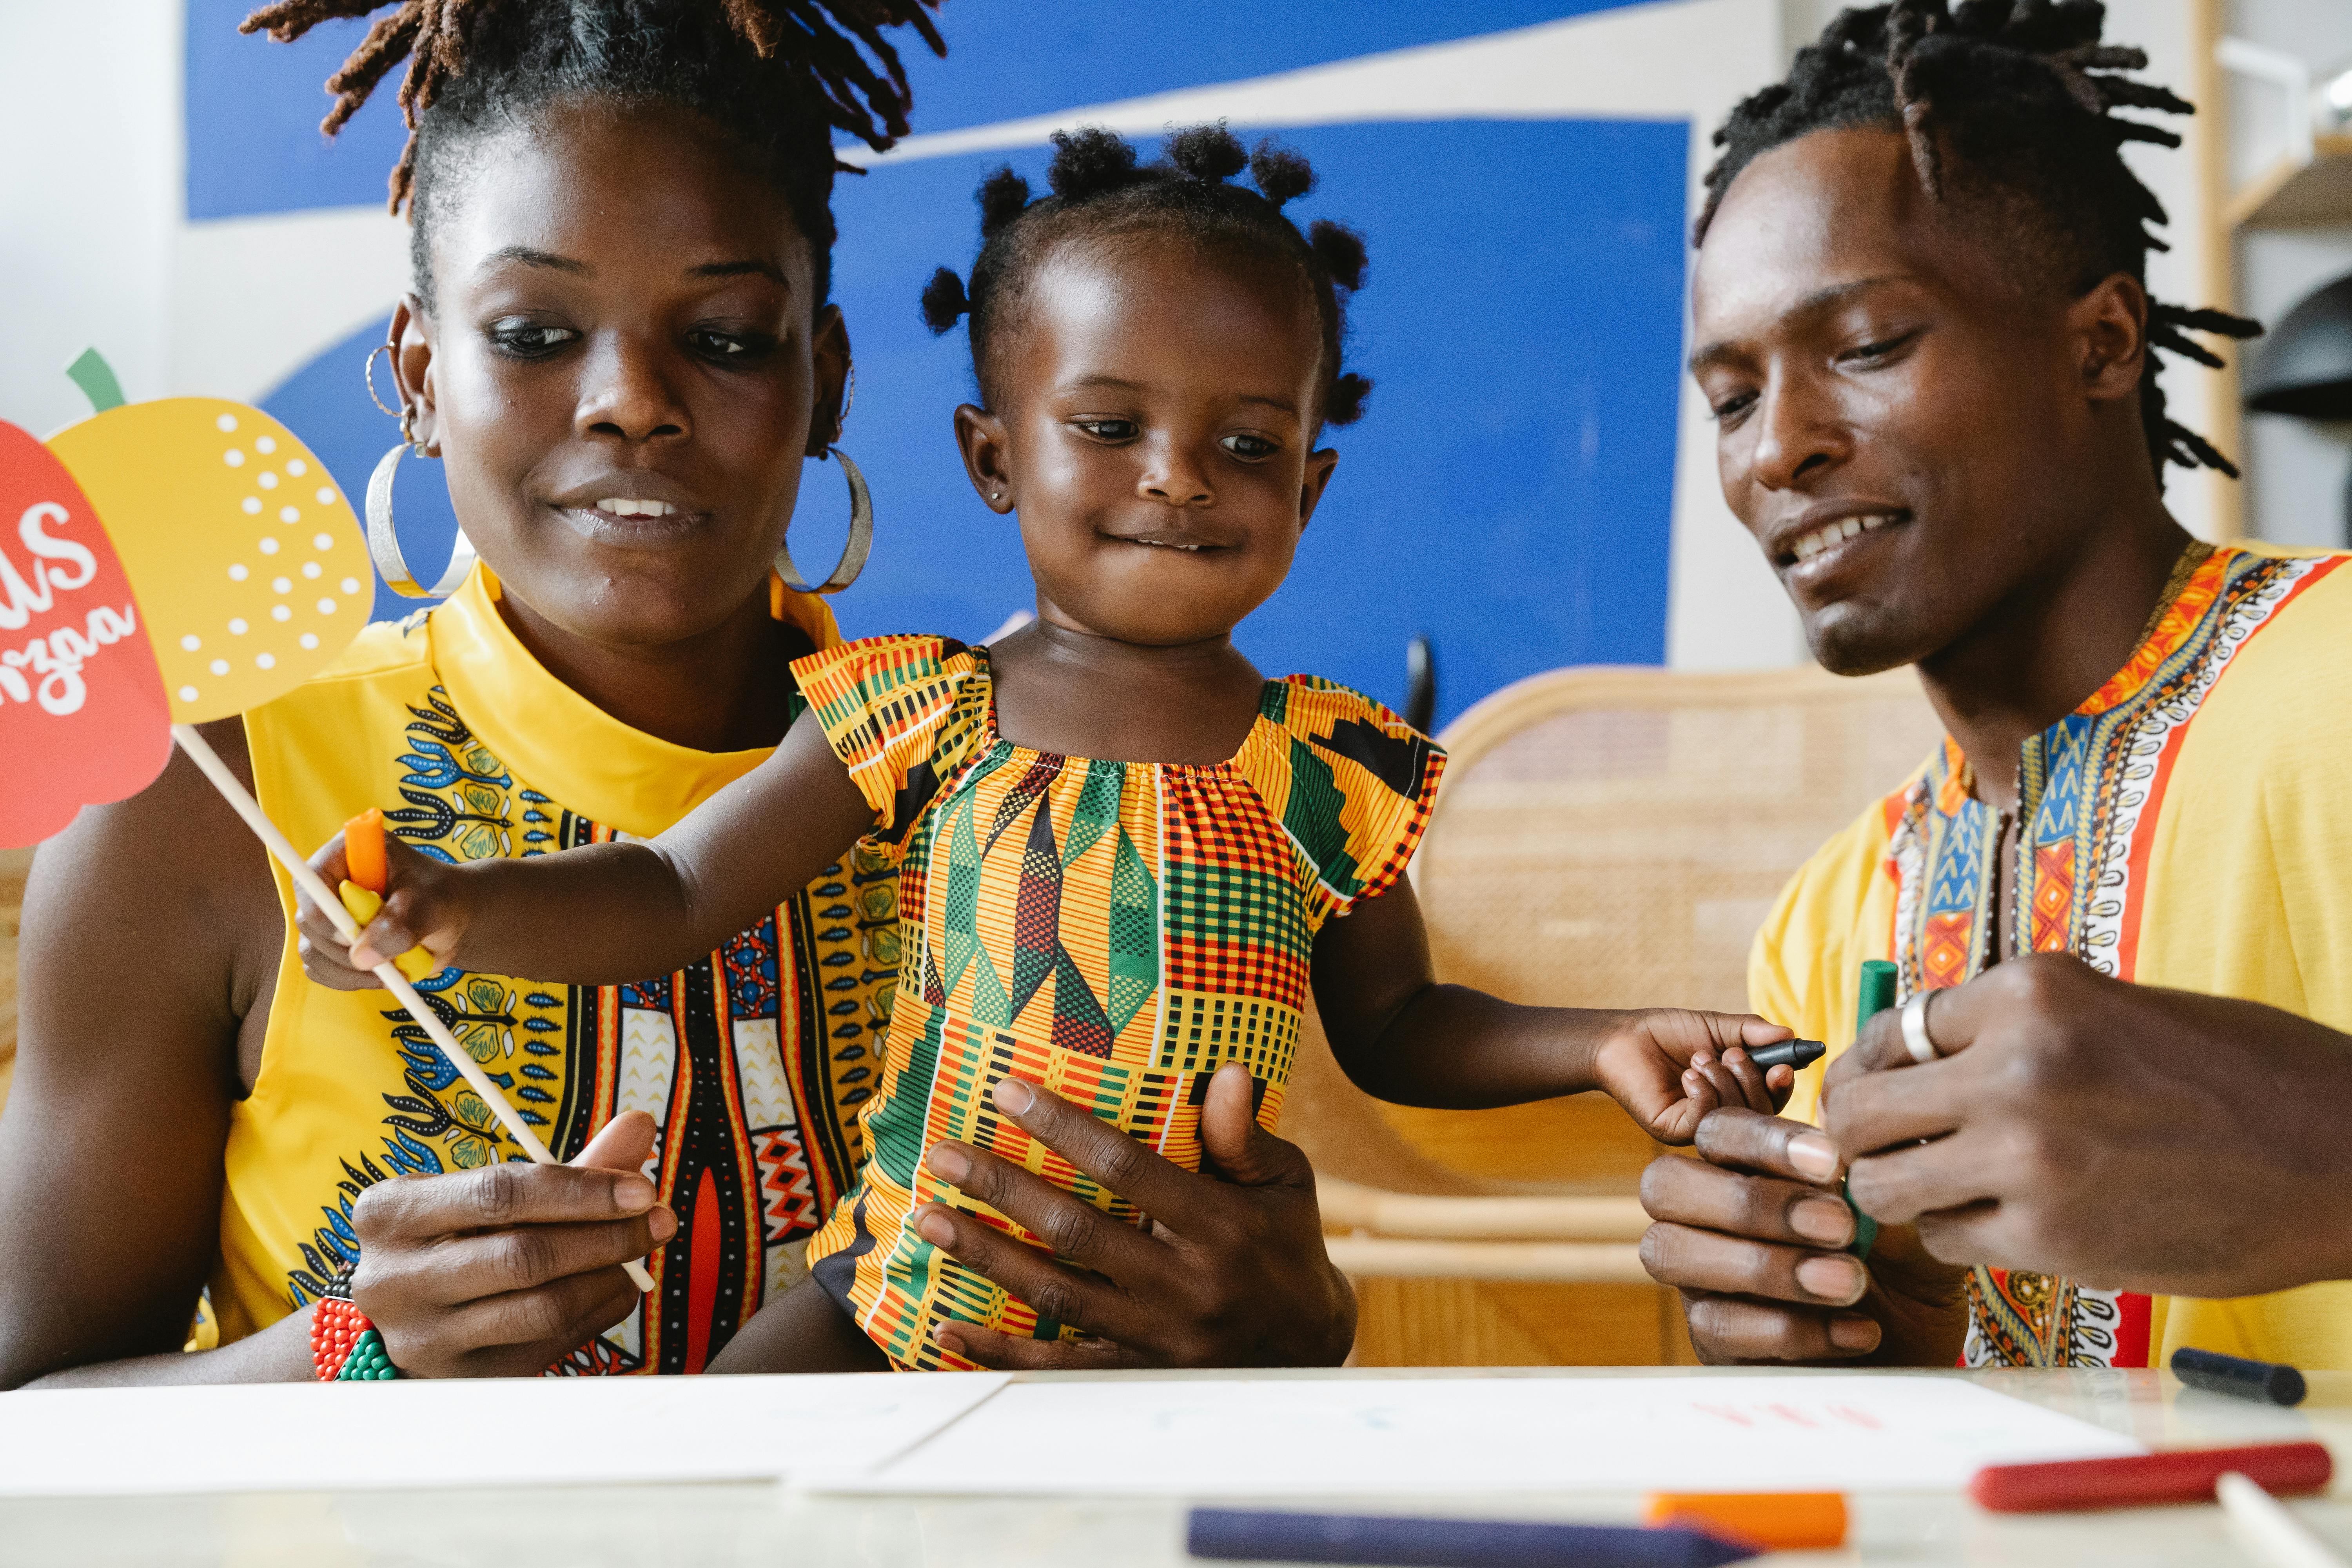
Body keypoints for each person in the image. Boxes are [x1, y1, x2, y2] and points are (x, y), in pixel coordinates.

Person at [0, 2, 1365, 1389]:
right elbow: (28, 1425)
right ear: (421, 377)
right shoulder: (211, 789)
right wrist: (354, 1347)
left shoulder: (1014, 778)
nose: (630, 401)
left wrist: (1290, 1329)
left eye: (721, 338)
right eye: (534, 333)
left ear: (825, 382)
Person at [300, 122, 1804, 1372]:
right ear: (992, 457)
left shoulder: (1320, 770)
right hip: (883, 1303)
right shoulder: (924, 715)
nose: (1176, 481)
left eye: (1247, 444)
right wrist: (461, 905)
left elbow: (1400, 1027)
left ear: (1313, 485)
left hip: (1170, 1340)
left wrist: (1598, 1043)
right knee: (714, 1481)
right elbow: (674, 900)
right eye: (1107, 426)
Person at [1639, 0, 2352, 1372]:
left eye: (1863, 346)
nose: (1778, 447)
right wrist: (1888, 1337)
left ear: (2101, 346)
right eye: (1732, 398)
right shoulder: (1828, 919)